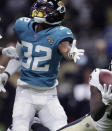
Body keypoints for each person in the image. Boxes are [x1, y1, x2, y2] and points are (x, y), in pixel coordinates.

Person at [26, 42, 112, 131]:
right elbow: (95, 115)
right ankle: (35, 125)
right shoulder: (100, 76)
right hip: (91, 127)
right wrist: (105, 101)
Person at [0, 0, 84, 130]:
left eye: (45, 10)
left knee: (61, 128)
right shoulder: (23, 26)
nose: (40, 11)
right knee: (19, 128)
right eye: (39, 8)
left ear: (56, 14)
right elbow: (19, 55)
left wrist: (71, 52)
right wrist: (6, 74)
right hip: (25, 92)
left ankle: (34, 124)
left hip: (48, 94)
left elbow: (66, 49)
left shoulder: (61, 33)